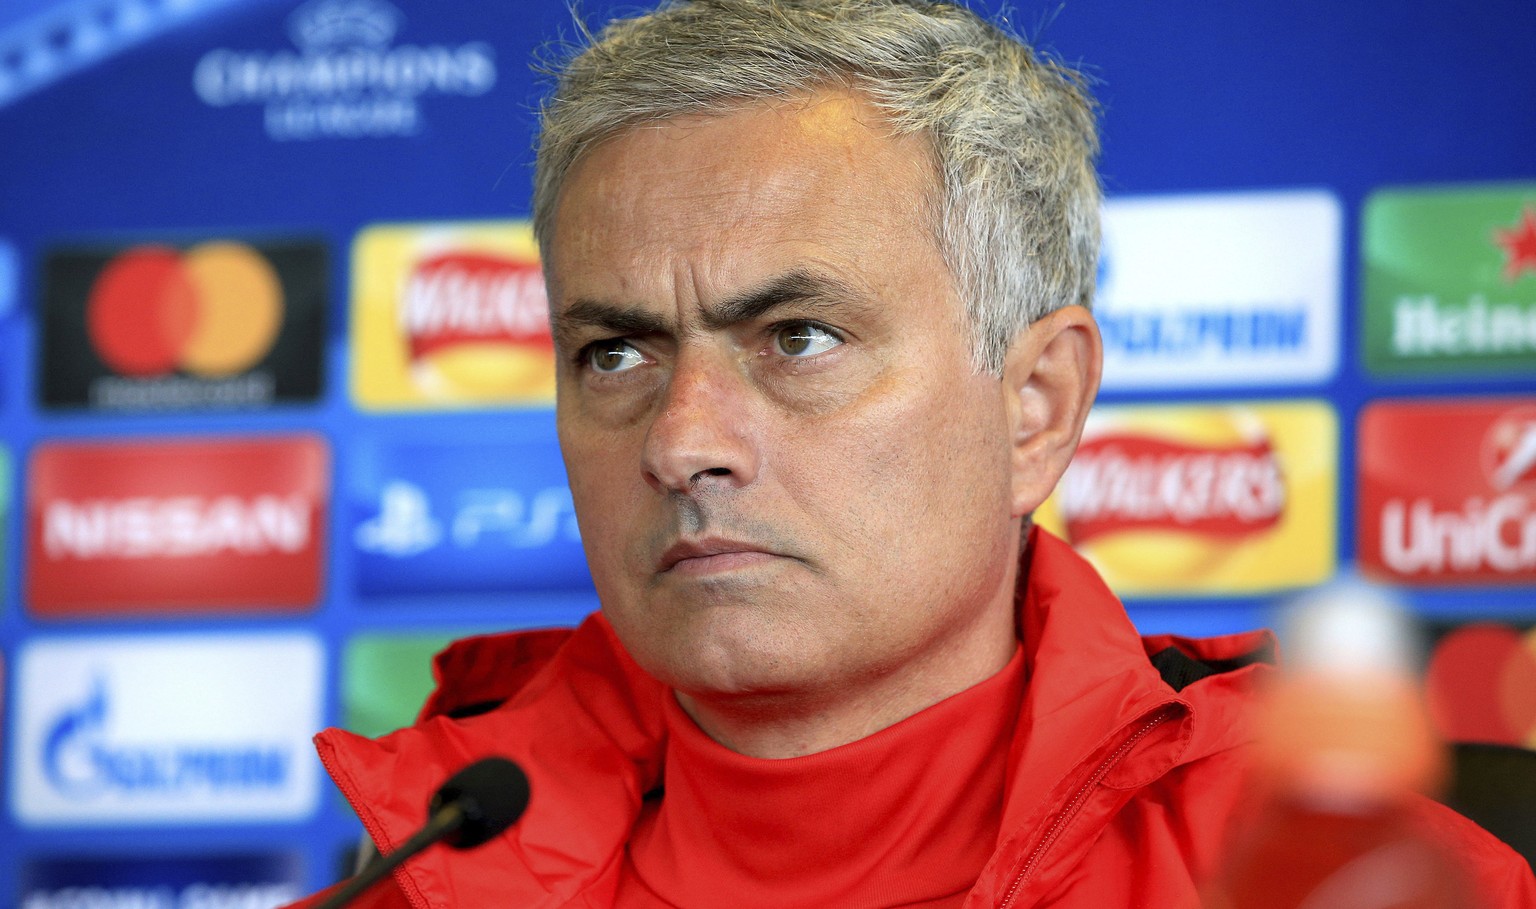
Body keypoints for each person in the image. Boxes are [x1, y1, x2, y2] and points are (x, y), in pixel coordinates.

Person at [287, 1, 1536, 906]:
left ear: (1036, 405)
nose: (681, 441)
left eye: (799, 336)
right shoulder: (420, 867)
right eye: (616, 354)